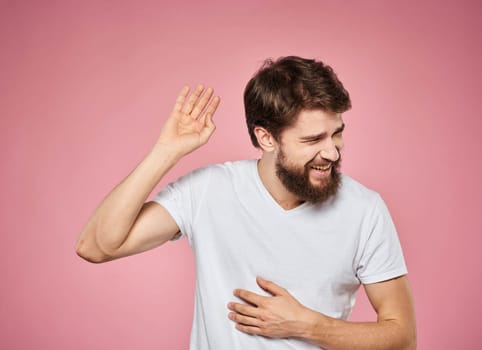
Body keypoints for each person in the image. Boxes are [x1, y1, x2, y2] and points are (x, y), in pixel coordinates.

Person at [76, 56, 417, 350]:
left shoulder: (365, 210)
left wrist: (306, 325)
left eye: (337, 133)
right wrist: (166, 152)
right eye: (313, 139)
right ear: (266, 137)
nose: (331, 152)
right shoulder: (209, 190)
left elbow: (402, 337)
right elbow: (97, 246)